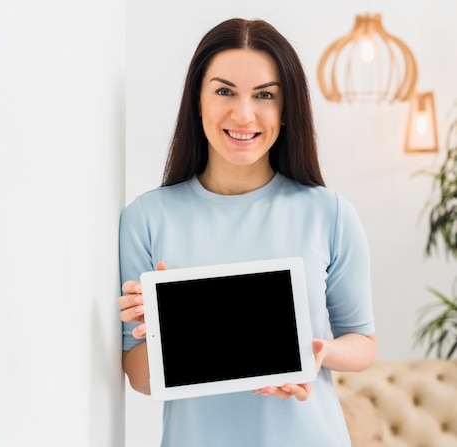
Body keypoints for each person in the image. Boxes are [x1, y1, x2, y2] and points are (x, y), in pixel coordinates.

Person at [117, 17, 377, 447]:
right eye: (224, 91)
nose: (243, 114)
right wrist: (167, 329)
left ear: (286, 108)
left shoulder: (328, 213)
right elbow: (141, 378)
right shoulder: (146, 217)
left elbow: (362, 342)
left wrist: (318, 355)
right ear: (197, 101)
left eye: (265, 95)